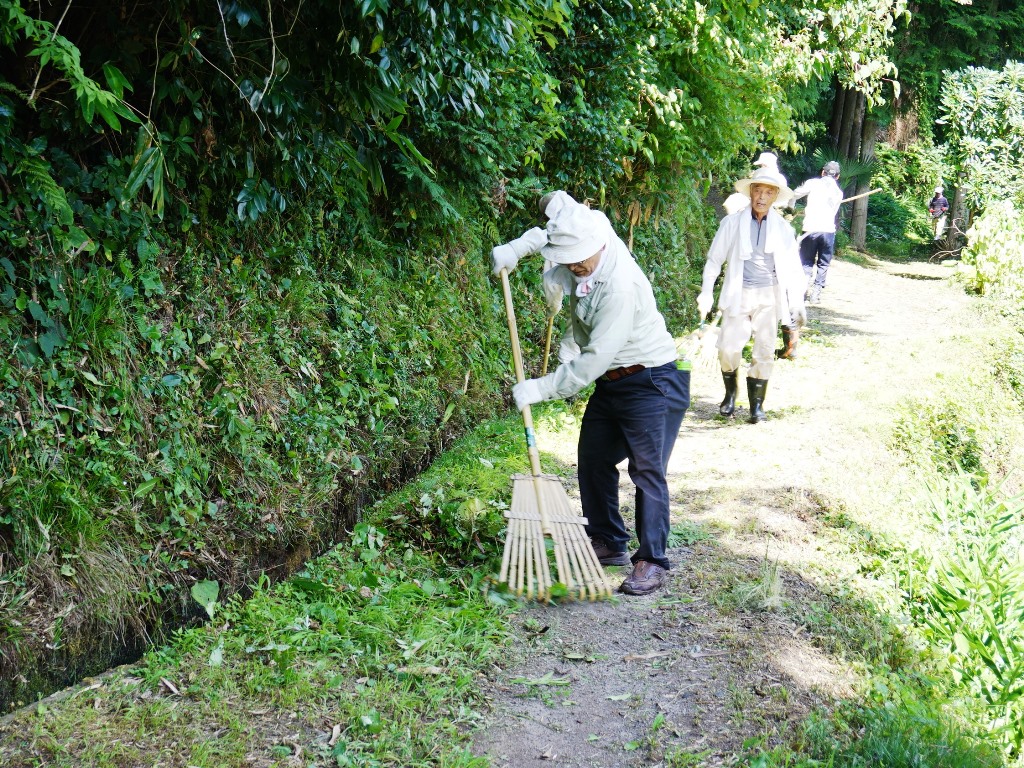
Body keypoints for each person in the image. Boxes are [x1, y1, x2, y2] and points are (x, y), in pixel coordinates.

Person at [493, 199, 690, 596]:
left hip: (651, 380)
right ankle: (608, 540)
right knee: (594, 457)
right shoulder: (587, 227)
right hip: (614, 383)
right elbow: (555, 206)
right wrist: (519, 247)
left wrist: (542, 387)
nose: (575, 266)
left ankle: (651, 559)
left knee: (646, 469)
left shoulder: (621, 286)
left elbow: (593, 361)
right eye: (567, 260)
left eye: (579, 260)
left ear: (597, 245)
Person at [697, 166, 806, 423]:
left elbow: (792, 268)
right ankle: (730, 394)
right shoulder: (732, 223)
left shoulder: (782, 229)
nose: (761, 197)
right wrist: (706, 293)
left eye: (768, 192)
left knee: (765, 350)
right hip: (738, 291)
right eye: (758, 190)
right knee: (728, 348)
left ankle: (757, 406)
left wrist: (797, 302)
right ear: (750, 192)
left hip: (770, 294)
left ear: (775, 196)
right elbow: (714, 260)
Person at [791, 160, 843, 306]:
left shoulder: (813, 183)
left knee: (806, 261)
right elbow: (833, 212)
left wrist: (791, 208)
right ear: (837, 176)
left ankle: (802, 292)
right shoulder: (839, 193)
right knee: (823, 264)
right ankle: (816, 295)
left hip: (810, 229)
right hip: (827, 230)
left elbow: (794, 194)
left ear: (822, 173)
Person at [722, 152, 792, 215]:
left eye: (762, 165)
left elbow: (781, 202)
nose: (761, 166)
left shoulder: (777, 178)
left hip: (771, 206)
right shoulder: (761, 173)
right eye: (761, 165)